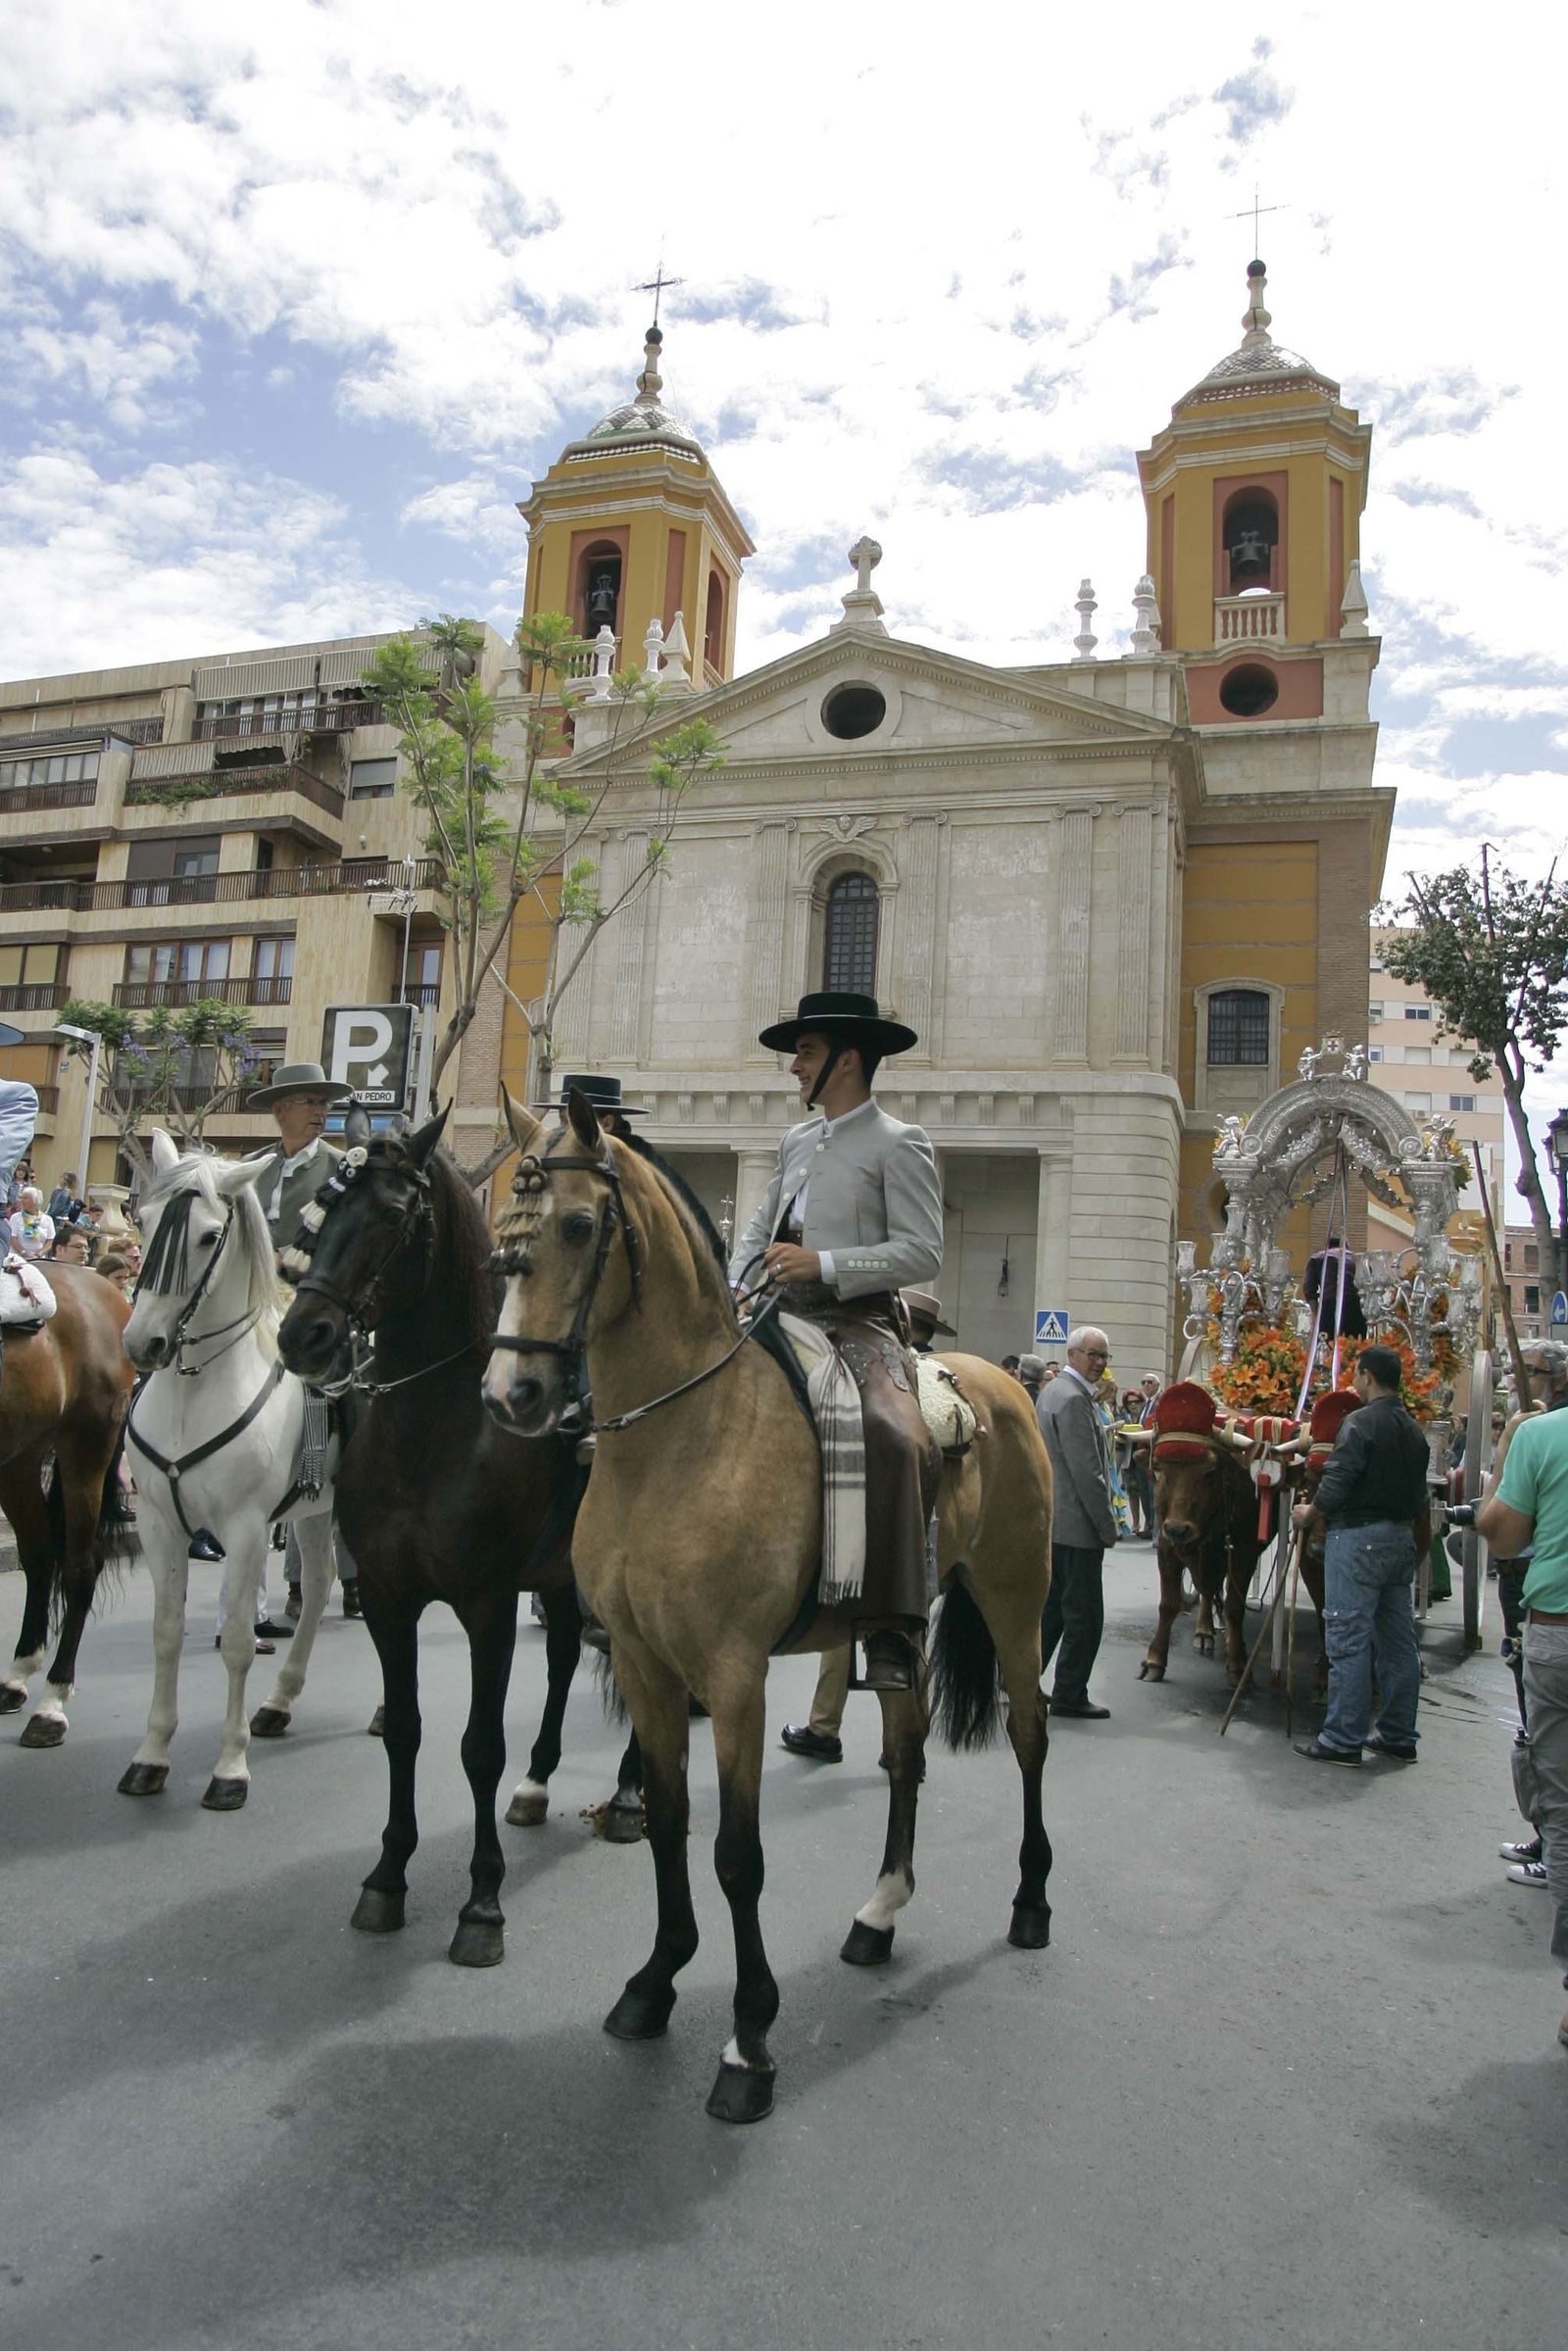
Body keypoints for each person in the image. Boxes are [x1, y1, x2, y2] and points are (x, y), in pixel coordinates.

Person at [729, 987, 943, 1697]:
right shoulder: (794, 1141)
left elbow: (922, 1251)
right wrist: (734, 1283)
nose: (794, 1066)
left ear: (848, 1060)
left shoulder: (899, 1142)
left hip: (857, 1322)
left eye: (808, 1052)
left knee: (890, 1434)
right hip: (773, 1312)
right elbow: (759, 1229)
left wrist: (825, 1264)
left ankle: (892, 1622)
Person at [781, 1284, 956, 1765]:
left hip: (857, 1329)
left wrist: (820, 1266)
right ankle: (886, 1732)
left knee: (860, 1604)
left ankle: (829, 1725)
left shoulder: (898, 1358)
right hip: (796, 1311)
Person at [245, 1060, 357, 1625]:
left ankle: (346, 1567)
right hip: (252, 1313)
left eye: (324, 1103)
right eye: (309, 1102)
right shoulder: (252, 1170)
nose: (321, 1112)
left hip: (318, 1315)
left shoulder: (344, 1169)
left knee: (345, 1419)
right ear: (279, 1110)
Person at [1477, 1386, 1568, 2051]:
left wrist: (1505, 1461)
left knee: (1563, 1810)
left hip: (1560, 1634)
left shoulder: (1543, 1434)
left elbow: (1504, 1533)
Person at [1292, 1343, 1430, 1765]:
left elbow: (1338, 1480)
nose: (1354, 1380)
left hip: (1358, 1539)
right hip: (1399, 1539)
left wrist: (1309, 1512)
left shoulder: (1359, 1423)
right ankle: (1397, 1733)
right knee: (1397, 1643)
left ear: (1368, 1375)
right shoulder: (1414, 1429)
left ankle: (1342, 1738)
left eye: (1355, 1373)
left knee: (1348, 1641)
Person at [1036, 1326, 1119, 1719]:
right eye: (1093, 1355)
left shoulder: (1056, 1392)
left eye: (1104, 1357)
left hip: (1055, 1521)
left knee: (1052, 1609)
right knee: (1084, 1616)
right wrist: (1107, 1525)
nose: (1100, 1363)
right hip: (1076, 1525)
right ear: (1072, 1355)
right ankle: (1069, 1693)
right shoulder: (1072, 1399)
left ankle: (1017, 1677)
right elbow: (1088, 1472)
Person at [7, 1185, 54, 1260]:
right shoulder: (16, 1217)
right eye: (21, 1198)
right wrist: (23, 1253)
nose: (21, 1200)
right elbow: (12, 1238)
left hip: (38, 1259)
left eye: (25, 1198)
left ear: (35, 1200)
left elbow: (50, 1240)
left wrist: (39, 1254)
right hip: (17, 1258)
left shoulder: (47, 1219)